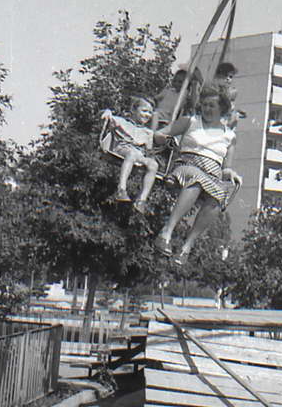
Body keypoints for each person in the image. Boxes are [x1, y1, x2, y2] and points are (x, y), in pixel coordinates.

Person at [152, 89, 242, 265]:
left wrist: (231, 173)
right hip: (187, 165)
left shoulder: (230, 136)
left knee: (218, 197)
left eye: (212, 105)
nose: (207, 109)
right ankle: (166, 232)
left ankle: (186, 248)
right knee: (197, 179)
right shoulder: (191, 122)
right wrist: (167, 140)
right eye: (205, 105)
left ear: (222, 108)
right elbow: (159, 134)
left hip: (212, 175)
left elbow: (226, 168)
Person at [101, 97, 159, 213]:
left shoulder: (148, 133)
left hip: (138, 155)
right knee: (131, 154)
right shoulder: (121, 122)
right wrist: (107, 112)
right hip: (121, 150)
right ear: (134, 110)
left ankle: (141, 200)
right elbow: (106, 117)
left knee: (154, 164)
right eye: (144, 111)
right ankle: (121, 189)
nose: (147, 115)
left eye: (150, 113)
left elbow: (148, 151)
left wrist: (149, 158)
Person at [207, 62, 246, 129]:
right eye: (226, 75)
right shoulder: (212, 89)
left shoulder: (230, 91)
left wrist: (236, 113)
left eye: (231, 77)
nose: (228, 79)